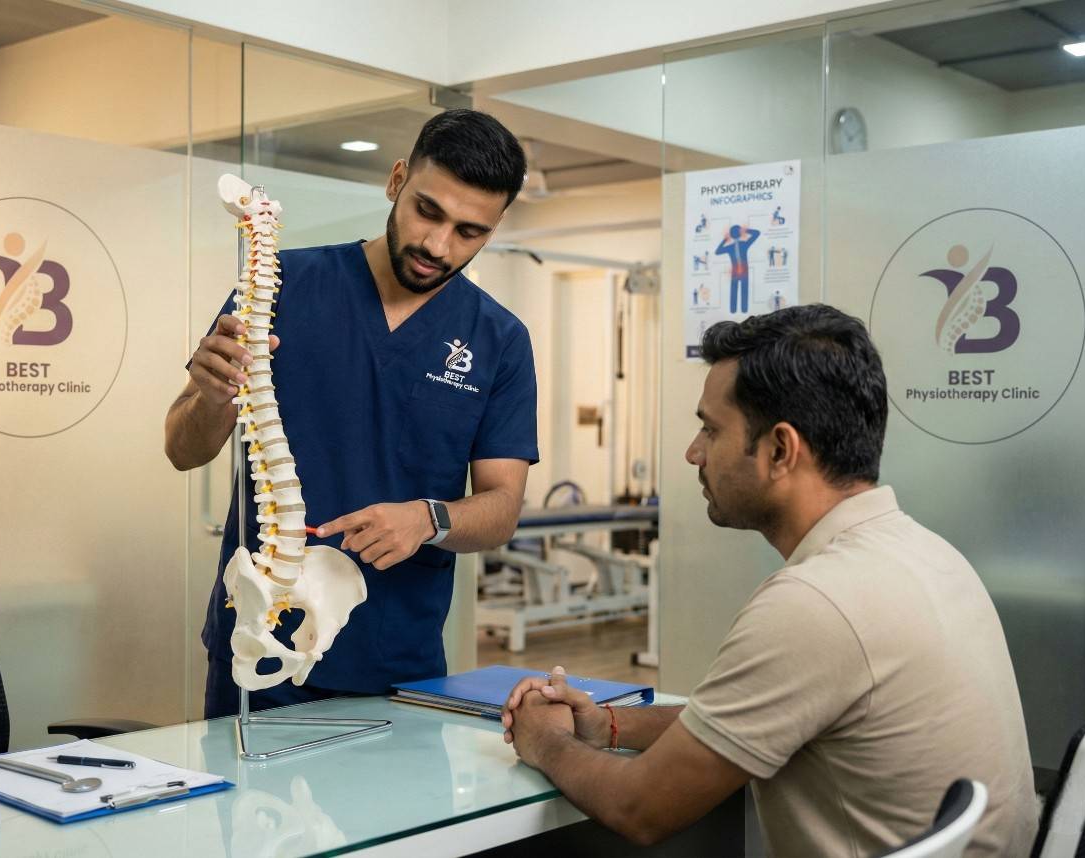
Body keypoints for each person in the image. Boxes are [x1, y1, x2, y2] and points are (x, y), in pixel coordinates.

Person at [501, 305, 1036, 856]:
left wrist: (546, 740)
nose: (693, 452)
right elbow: (747, 719)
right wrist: (609, 724)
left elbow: (640, 808)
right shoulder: (928, 554)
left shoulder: (815, 605)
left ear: (780, 450)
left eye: (711, 429)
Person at [165, 109, 539, 718]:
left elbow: (502, 508)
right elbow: (183, 449)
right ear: (396, 180)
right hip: (259, 647)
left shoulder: (499, 339)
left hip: (399, 667)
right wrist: (210, 399)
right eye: (427, 211)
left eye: (469, 232)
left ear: (493, 230)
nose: (438, 246)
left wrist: (429, 519)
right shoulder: (280, 287)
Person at [715, 223, 760, 314]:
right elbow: (717, 251)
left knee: (744, 289)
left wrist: (744, 230)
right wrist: (725, 240)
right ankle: (733, 310)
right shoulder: (731, 247)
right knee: (734, 290)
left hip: (744, 271)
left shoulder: (744, 244)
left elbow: (757, 233)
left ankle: (744, 310)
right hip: (735, 271)